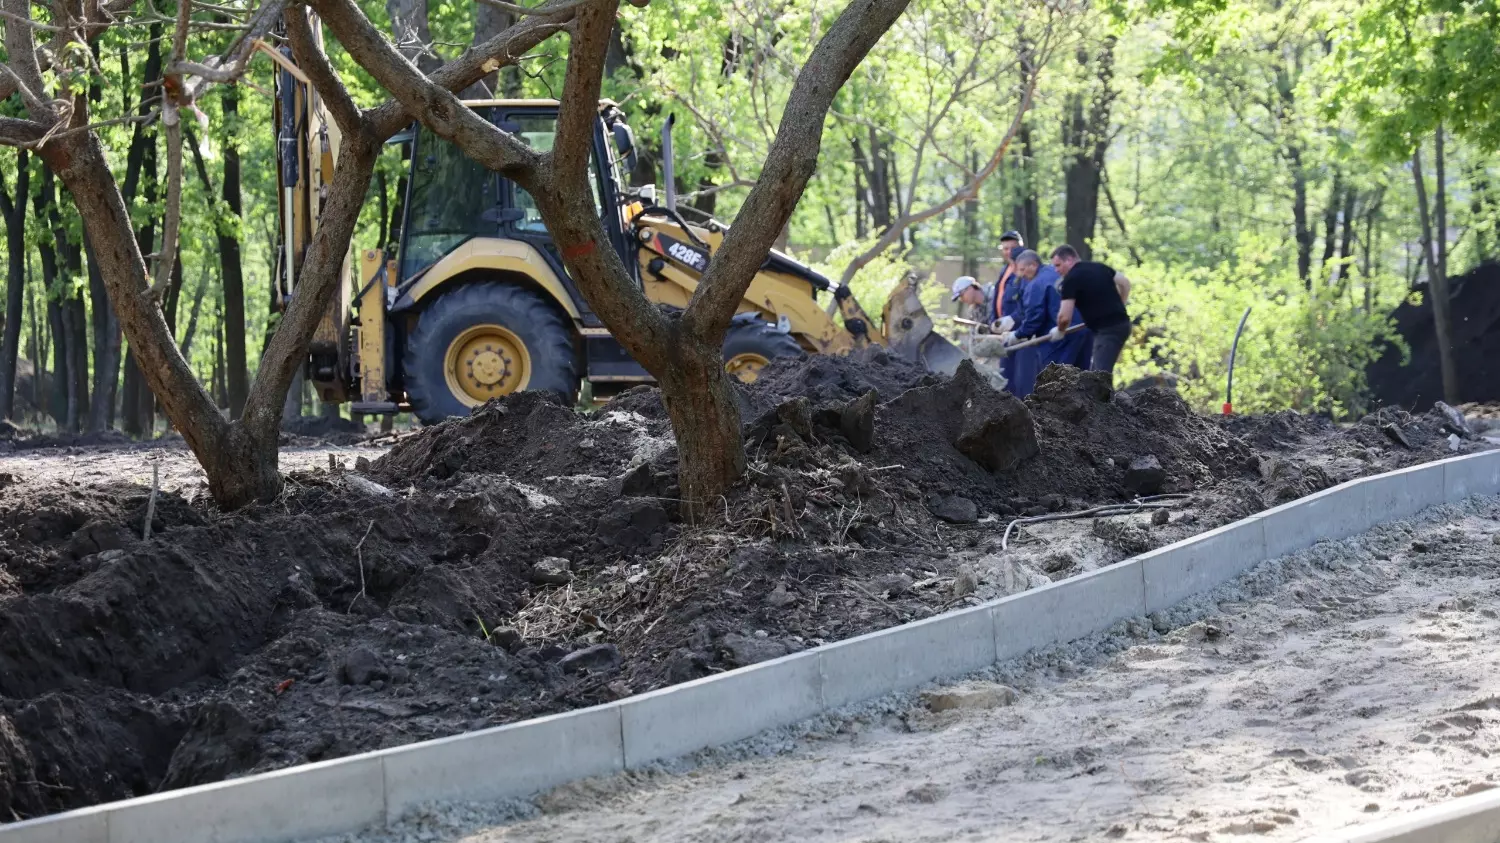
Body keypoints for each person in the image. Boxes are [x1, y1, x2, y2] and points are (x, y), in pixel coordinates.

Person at [1002, 251, 1091, 397]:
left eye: (1023, 270)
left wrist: (1018, 334)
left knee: (1054, 381)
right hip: (1084, 329)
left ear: (1034, 265)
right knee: (1084, 378)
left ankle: (1057, 416)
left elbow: (1034, 318)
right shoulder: (1055, 273)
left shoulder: (1037, 283)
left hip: (1060, 337)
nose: (1022, 275)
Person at [1049, 244, 1132, 377]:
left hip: (1108, 330)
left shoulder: (1071, 279)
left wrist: (1060, 330)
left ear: (1069, 260)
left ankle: (1106, 398)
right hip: (1122, 325)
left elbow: (1064, 317)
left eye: (1058, 265)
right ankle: (1104, 397)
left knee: (1099, 377)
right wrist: (1120, 305)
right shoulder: (1099, 267)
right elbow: (1125, 283)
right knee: (1097, 372)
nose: (1056, 270)